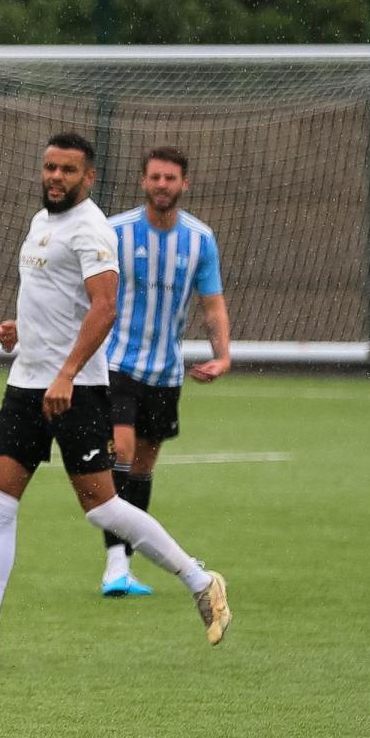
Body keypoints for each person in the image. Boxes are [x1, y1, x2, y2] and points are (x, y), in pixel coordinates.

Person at [0, 132, 231, 666]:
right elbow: (56, 298)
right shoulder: (43, 221)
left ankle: (201, 579)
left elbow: (104, 308)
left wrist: (65, 372)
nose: (55, 177)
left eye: (68, 170)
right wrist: (24, 329)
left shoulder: (93, 230)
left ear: (89, 178)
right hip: (26, 382)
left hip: (76, 390)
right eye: (50, 167)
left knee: (102, 507)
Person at [96, 144, 233, 597]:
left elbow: (211, 304)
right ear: (143, 181)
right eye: (154, 177)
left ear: (184, 184)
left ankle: (125, 563)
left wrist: (223, 353)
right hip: (116, 362)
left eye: (170, 178)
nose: (161, 185)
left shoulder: (200, 240)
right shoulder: (115, 232)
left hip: (166, 372)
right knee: (121, 445)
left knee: (143, 465)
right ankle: (114, 565)